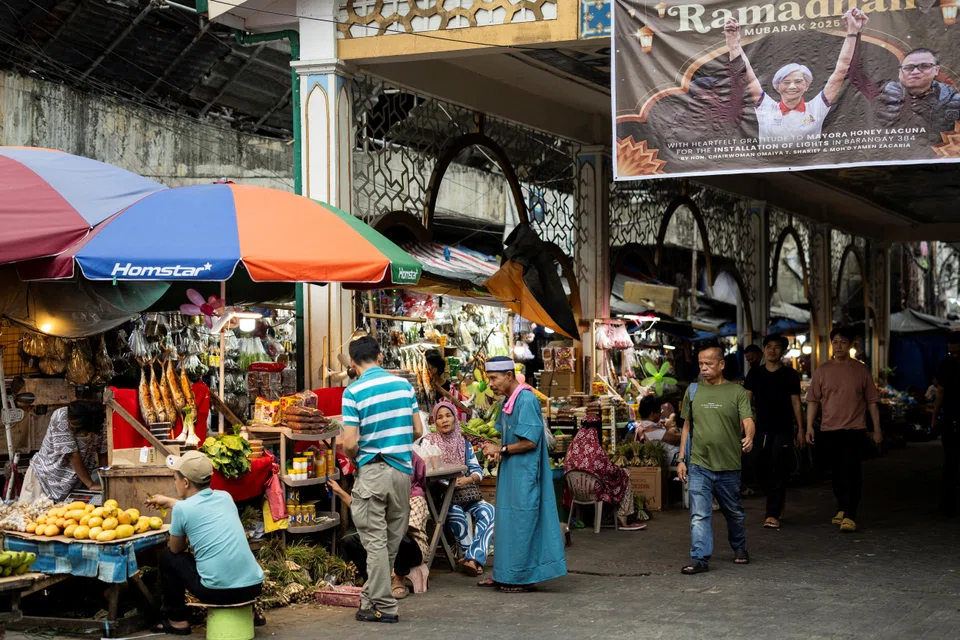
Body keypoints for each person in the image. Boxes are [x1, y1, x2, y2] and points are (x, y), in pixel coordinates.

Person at [341, 336, 424, 623]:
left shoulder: (353, 392)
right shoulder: (404, 386)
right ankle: (367, 601)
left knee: (374, 542)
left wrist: (355, 452)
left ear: (352, 362)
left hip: (373, 472)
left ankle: (385, 607)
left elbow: (350, 443)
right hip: (402, 473)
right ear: (379, 356)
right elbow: (417, 430)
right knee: (389, 541)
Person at [146, 451, 264, 635]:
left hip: (217, 593)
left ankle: (177, 621)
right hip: (253, 587)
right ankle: (252, 612)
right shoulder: (225, 497)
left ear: (185, 482)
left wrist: (177, 514)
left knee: (169, 557)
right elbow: (198, 506)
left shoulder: (182, 510)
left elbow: (176, 548)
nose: (174, 482)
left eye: (175, 478)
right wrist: (170, 502)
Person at [479, 356, 566, 592]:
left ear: (509, 375)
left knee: (523, 523)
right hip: (511, 473)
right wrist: (491, 446)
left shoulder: (526, 399)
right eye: (489, 378)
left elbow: (529, 442)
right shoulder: (509, 400)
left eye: (494, 378)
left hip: (524, 474)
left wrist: (502, 449)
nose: (491, 383)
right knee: (508, 523)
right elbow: (501, 434)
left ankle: (522, 578)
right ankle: (504, 574)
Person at [724, 10, 867, 143]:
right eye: (786, 82)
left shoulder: (816, 108)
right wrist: (733, 44)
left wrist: (853, 32)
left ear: (806, 86)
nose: (792, 86)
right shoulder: (766, 107)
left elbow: (841, 71)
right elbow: (746, 74)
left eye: (798, 81)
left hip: (814, 167)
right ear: (777, 87)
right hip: (769, 168)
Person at [677, 344, 755, 575]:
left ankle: (740, 547)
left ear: (721, 365)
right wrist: (682, 459)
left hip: (729, 464)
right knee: (699, 514)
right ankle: (699, 557)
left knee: (734, 512)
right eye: (701, 364)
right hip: (699, 463)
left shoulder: (737, 392)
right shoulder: (692, 391)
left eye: (709, 363)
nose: (704, 368)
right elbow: (686, 427)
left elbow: (748, 419)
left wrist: (749, 436)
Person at [805, 327, 881, 533]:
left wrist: (877, 429)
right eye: (835, 342)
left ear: (850, 345)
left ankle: (850, 513)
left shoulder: (861, 370)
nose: (839, 346)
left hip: (855, 429)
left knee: (852, 470)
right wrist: (809, 426)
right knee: (837, 472)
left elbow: (872, 402)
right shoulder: (822, 370)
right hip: (830, 429)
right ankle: (842, 507)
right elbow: (812, 401)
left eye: (843, 342)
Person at [332, 452, 430, 599]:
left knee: (397, 534)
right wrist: (339, 492)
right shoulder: (379, 491)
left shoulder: (416, 498)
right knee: (350, 540)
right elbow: (360, 509)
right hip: (381, 543)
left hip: (411, 549)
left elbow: (405, 529)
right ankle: (372, 580)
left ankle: (399, 579)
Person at [424, 401, 496, 576]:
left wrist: (467, 479)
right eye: (439, 417)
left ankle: (472, 558)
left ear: (455, 419)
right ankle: (471, 558)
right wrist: (446, 483)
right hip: (442, 498)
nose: (444, 420)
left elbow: (477, 471)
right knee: (456, 513)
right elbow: (425, 472)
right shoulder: (428, 443)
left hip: (465, 494)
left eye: (448, 416)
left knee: (488, 510)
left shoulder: (464, 444)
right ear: (434, 421)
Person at [743, 334, 804, 529]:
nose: (772, 350)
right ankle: (776, 500)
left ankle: (772, 513)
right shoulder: (755, 374)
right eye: (768, 346)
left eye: (777, 347)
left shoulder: (790, 375)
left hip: (783, 428)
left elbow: (796, 402)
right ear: (764, 350)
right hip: (760, 427)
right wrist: (742, 427)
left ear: (783, 351)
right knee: (757, 465)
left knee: (777, 467)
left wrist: (800, 429)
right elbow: (746, 401)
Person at [851, 47, 960, 144]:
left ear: (936, 70)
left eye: (924, 66)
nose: (915, 71)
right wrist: (853, 33)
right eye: (909, 68)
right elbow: (853, 72)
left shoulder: (951, 100)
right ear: (900, 72)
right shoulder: (884, 93)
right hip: (890, 161)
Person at [565, 415, 647, 531]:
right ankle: (623, 516)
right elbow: (608, 470)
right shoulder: (595, 449)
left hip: (575, 490)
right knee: (625, 474)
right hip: (594, 490)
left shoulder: (572, 446)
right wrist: (619, 469)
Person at [19, 401, 107, 504]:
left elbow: (103, 452)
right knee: (33, 516)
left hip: (76, 483)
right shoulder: (61, 416)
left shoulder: (101, 423)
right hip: (44, 480)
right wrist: (90, 484)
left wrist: (105, 481)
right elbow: (72, 454)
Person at [931, 332, 960, 517]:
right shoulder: (946, 365)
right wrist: (934, 416)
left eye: (957, 352)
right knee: (949, 462)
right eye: (951, 352)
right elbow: (940, 392)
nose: (954, 355)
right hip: (950, 417)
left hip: (951, 417)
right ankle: (948, 504)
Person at [636, 395, 681, 465]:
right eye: (660, 411)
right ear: (653, 414)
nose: (661, 413)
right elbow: (676, 438)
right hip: (674, 458)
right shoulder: (652, 431)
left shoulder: (646, 426)